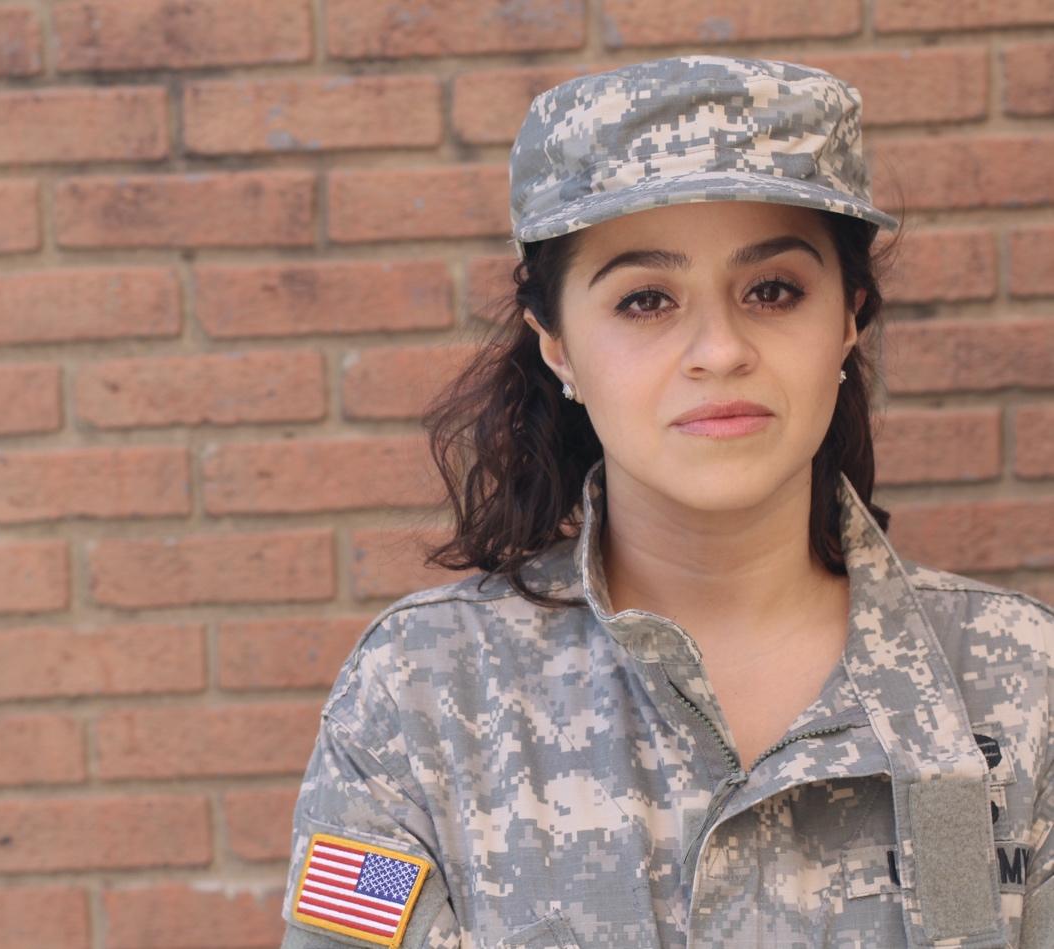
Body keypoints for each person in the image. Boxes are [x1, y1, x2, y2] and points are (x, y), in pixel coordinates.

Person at [278, 55, 1054, 948]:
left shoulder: (1017, 684)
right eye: (645, 299)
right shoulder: (415, 698)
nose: (718, 349)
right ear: (558, 346)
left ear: (847, 317)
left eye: (772, 290)